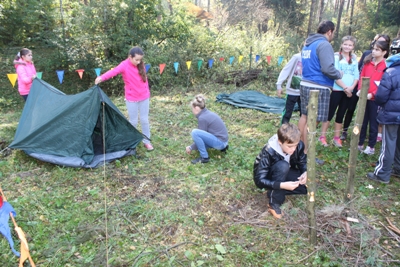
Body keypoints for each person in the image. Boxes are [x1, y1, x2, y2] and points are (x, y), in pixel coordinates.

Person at [95, 46, 154, 151]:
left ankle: (147, 141)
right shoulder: (124, 65)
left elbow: (143, 80)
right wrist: (101, 77)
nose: (139, 61)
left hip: (144, 97)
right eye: (136, 59)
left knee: (144, 120)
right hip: (132, 98)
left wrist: (145, 91)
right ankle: (132, 141)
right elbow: (113, 72)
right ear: (130, 57)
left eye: (140, 59)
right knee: (133, 121)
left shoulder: (141, 64)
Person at [298, 20, 342, 150]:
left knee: (305, 116)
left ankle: (299, 147)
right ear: (330, 31)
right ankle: (306, 151)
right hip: (319, 86)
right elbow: (327, 68)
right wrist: (339, 73)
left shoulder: (308, 44)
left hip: (305, 83)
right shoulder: (324, 44)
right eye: (333, 33)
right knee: (313, 120)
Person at [253, 123, 307, 219]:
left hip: (285, 172)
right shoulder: (269, 151)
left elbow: (302, 161)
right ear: (280, 142)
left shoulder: (299, 145)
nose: (293, 149)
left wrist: (305, 172)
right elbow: (259, 180)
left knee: (305, 188)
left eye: (296, 145)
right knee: (283, 165)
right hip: (271, 175)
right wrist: (281, 185)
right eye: (290, 147)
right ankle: (274, 203)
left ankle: (274, 189)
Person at [367, 53, 400, 184]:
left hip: (391, 113)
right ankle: (398, 168)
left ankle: (382, 173)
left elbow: (381, 96)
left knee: (389, 143)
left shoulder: (391, 72)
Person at [357, 41, 389, 155]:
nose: (374, 51)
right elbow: (362, 77)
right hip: (363, 98)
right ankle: (359, 144)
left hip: (375, 100)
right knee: (362, 121)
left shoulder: (386, 66)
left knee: (373, 123)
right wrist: (360, 90)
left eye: (377, 50)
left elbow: (384, 84)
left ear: (384, 52)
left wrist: (373, 94)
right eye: (373, 49)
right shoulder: (367, 62)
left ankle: (371, 146)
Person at [327, 36, 359, 147]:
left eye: (350, 45)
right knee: (329, 113)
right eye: (345, 44)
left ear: (353, 47)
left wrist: (351, 88)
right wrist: (345, 88)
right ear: (341, 44)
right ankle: (322, 136)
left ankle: (336, 138)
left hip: (349, 91)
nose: (347, 46)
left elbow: (356, 76)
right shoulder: (336, 58)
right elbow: (335, 75)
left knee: (341, 114)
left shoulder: (354, 60)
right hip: (337, 89)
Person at [185, 94, 229, 164]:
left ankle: (204, 157)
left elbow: (200, 137)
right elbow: (204, 139)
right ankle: (223, 148)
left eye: (192, 108)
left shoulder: (202, 118)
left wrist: (190, 147)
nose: (192, 110)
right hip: (224, 142)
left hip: (220, 143)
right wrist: (192, 147)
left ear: (196, 108)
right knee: (199, 142)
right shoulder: (207, 113)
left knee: (195, 132)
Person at [276, 53, 302, 124]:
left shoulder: (313, 57)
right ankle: (283, 130)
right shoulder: (297, 57)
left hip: (305, 92)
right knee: (287, 112)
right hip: (292, 91)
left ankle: (302, 132)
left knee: (304, 114)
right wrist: (279, 85)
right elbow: (286, 70)